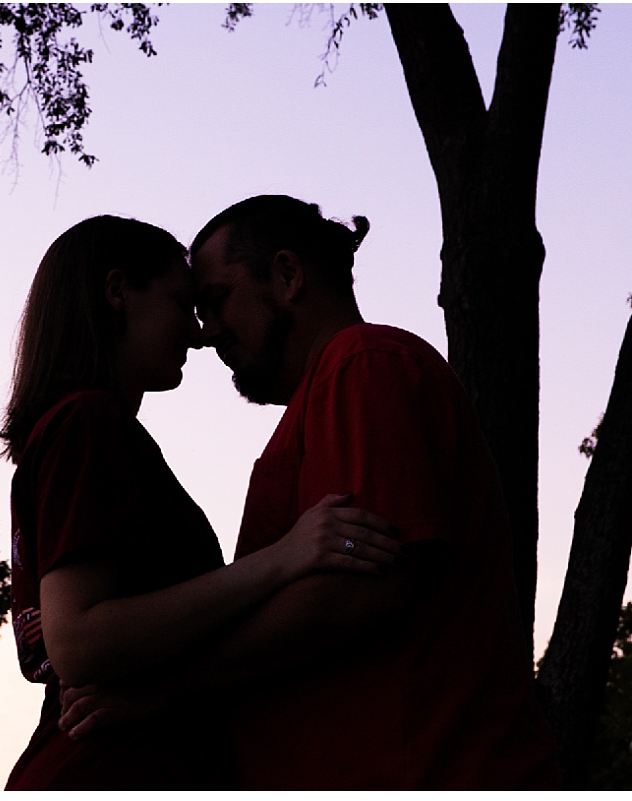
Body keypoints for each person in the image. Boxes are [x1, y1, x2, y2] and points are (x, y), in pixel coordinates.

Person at [0, 214, 401, 790]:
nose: (199, 334)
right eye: (184, 304)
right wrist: (280, 559)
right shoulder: (87, 423)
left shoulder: (77, 432)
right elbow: (79, 642)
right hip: (109, 769)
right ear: (117, 292)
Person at [175, 194, 560, 789]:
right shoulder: (330, 390)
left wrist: (165, 680)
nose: (206, 334)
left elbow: (361, 590)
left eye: (217, 300)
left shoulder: (364, 364)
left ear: (287, 274)